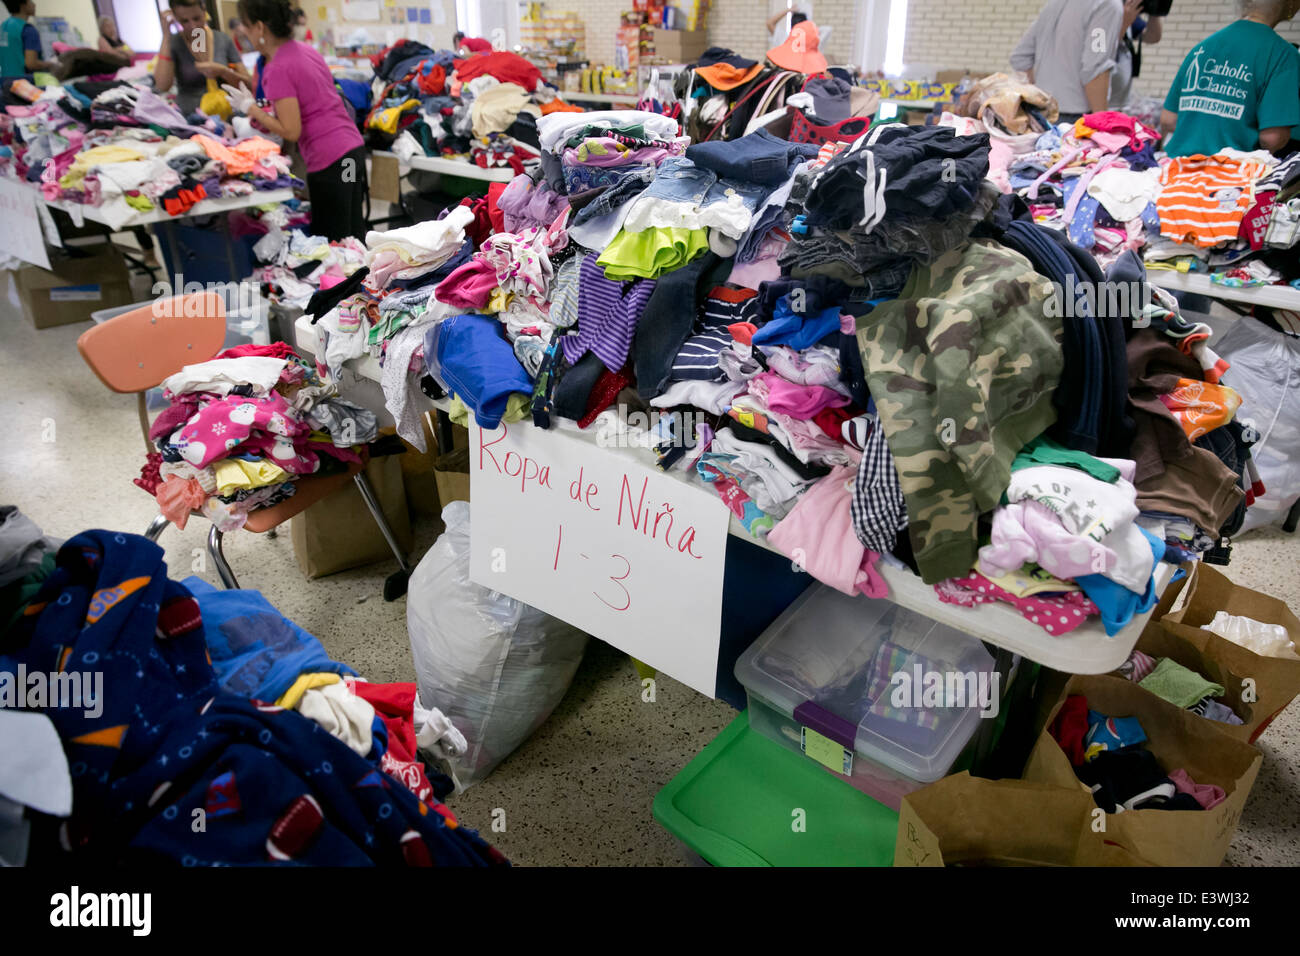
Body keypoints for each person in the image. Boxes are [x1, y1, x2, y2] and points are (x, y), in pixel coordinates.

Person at [227, 0, 367, 240]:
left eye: (247, 27)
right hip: (351, 151)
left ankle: (349, 278)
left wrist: (250, 108)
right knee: (353, 234)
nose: (245, 33)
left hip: (329, 160)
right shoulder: (305, 51)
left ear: (260, 28)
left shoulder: (278, 67)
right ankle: (362, 277)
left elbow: (291, 131)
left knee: (333, 242)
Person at [1160, 0, 1300, 157]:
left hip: (1177, 168)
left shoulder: (1203, 46)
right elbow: (1272, 138)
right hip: (1231, 173)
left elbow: (1168, 119)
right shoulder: (1283, 55)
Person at [1010, 0, 1125, 122]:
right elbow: (1095, 67)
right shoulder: (1107, 5)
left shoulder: (1053, 4)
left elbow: (1020, 57)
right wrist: (1102, 124)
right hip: (1075, 119)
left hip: (1040, 113)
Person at [153, 0, 251, 116]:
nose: (193, 26)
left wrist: (224, 72)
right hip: (190, 116)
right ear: (176, 18)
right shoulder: (173, 43)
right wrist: (166, 36)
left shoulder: (222, 40)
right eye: (185, 21)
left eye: (196, 18)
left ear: (204, 11)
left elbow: (247, 84)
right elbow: (162, 86)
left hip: (227, 113)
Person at [1109, 0, 1163, 108]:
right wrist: (1124, 23)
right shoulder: (1104, 12)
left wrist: (1154, 11)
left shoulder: (1127, 14)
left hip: (1120, 104)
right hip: (1099, 104)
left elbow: (1153, 37)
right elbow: (1101, 54)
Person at [0, 0, 57, 76]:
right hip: (23, 82)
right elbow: (31, 63)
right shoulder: (28, 30)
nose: (34, 4)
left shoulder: (3, 26)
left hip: (4, 81)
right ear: (23, 5)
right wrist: (52, 64)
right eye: (30, 1)